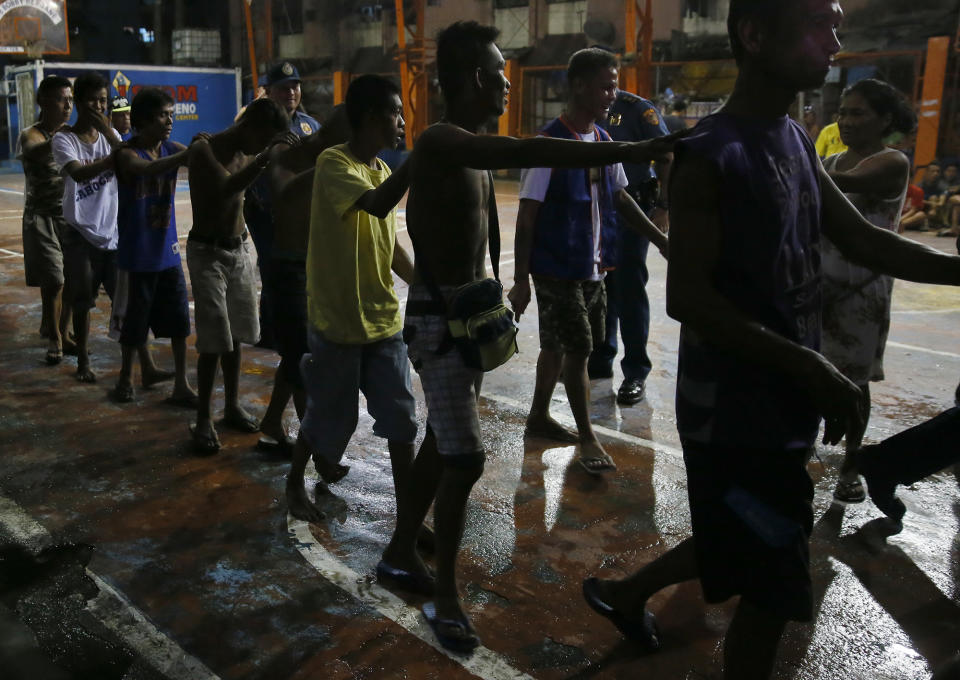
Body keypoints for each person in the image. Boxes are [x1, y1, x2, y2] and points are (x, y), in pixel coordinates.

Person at [581, 2, 960, 678]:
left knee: (744, 551)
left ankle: (625, 594)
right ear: (756, 35)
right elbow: (689, 298)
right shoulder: (709, 154)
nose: (836, 39)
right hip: (732, 418)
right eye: (821, 23)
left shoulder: (790, 136)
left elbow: (865, 239)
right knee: (775, 585)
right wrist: (811, 366)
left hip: (779, 411)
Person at [378, 20, 678, 654]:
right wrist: (625, 151)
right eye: (496, 75)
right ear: (469, 80)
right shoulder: (443, 140)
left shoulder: (455, 148)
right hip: (439, 319)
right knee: (466, 458)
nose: (505, 84)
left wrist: (372, 201)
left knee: (443, 439)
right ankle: (447, 598)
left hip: (467, 316)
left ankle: (402, 552)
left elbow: (391, 196)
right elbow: (534, 151)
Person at [286, 77, 437, 570]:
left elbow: (389, 245)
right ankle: (292, 485)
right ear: (370, 117)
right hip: (339, 321)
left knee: (400, 422)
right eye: (395, 113)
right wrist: (423, 158)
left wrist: (425, 287)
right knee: (330, 417)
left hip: (383, 319)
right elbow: (376, 205)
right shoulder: (335, 163)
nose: (402, 123)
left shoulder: (377, 168)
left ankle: (409, 517)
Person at [510, 49, 669, 475]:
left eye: (615, 86)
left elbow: (621, 197)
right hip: (556, 268)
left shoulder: (601, 141)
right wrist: (520, 280)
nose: (612, 95)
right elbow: (527, 216)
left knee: (558, 346)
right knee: (580, 349)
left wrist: (660, 239)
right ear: (578, 85)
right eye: (605, 85)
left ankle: (539, 416)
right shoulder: (550, 144)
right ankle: (587, 436)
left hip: (593, 267)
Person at [820, 78, 916, 503]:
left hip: (863, 288)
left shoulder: (891, 161)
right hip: (817, 282)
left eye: (858, 113)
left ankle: (852, 462)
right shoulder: (831, 160)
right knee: (807, 368)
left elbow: (846, 184)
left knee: (854, 380)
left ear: (885, 119)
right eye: (842, 112)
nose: (846, 121)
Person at [185, 98, 292, 454]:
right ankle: (203, 417)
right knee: (214, 336)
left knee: (235, 336)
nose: (261, 149)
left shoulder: (251, 151)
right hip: (207, 252)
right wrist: (264, 158)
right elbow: (227, 187)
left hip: (239, 248)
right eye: (261, 140)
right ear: (249, 126)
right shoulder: (205, 148)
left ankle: (230, 405)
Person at [256, 106, 351, 449]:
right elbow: (283, 193)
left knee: (296, 354)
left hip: (315, 267)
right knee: (303, 361)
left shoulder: (332, 159)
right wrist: (328, 163)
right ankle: (318, 452)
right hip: (287, 268)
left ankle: (271, 422)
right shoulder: (286, 150)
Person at [109, 87, 197, 406]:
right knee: (133, 325)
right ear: (144, 120)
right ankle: (124, 379)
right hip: (136, 256)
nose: (169, 120)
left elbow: (194, 156)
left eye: (172, 114)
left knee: (178, 323)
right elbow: (145, 170)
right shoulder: (127, 153)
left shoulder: (170, 148)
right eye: (163, 115)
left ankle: (182, 384)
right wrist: (187, 156)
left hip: (168, 253)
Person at [588, 83, 672, 407]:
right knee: (603, 284)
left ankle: (636, 370)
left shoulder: (637, 109)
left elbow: (667, 156)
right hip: (599, 213)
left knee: (629, 286)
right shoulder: (587, 111)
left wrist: (664, 207)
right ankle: (601, 356)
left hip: (634, 209)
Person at [51, 71, 124, 383]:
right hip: (80, 233)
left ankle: (136, 364)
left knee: (123, 299)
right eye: (93, 100)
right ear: (79, 102)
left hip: (112, 232)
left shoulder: (110, 139)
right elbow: (79, 174)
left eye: (104, 101)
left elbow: (125, 153)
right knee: (83, 301)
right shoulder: (63, 138)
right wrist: (111, 157)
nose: (99, 106)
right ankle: (82, 359)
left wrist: (108, 131)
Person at [244, 61, 321, 352]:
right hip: (265, 210)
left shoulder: (309, 125)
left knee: (298, 270)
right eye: (284, 87)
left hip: (300, 214)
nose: (291, 91)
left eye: (295, 86)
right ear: (269, 91)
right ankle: (273, 332)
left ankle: (290, 329)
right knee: (273, 267)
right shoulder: (256, 122)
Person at [17, 75, 74, 365]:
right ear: (43, 102)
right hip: (41, 217)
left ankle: (58, 328)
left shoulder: (71, 133)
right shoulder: (32, 134)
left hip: (70, 216)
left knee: (73, 278)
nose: (68, 106)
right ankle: (55, 338)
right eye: (62, 99)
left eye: (71, 100)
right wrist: (64, 139)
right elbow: (34, 152)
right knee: (54, 278)